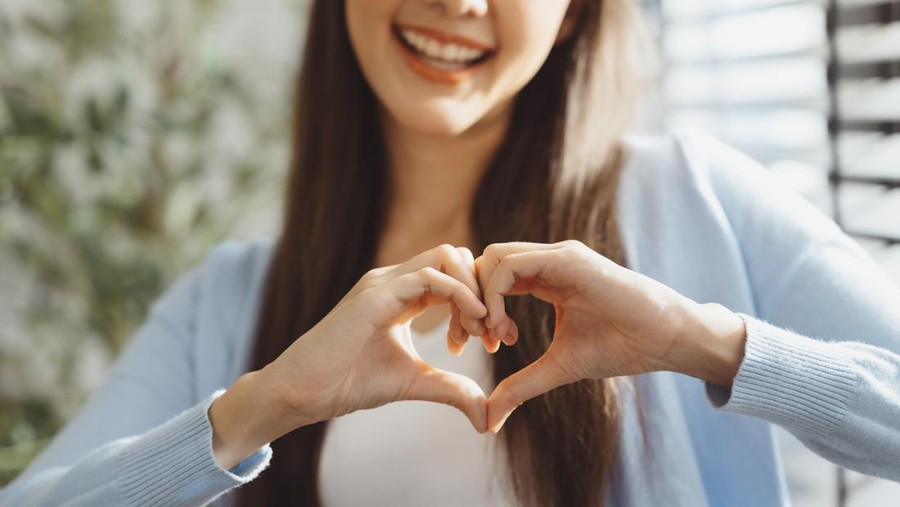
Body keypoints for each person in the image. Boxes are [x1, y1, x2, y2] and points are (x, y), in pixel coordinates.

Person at [2, 0, 899, 505]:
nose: (460, 4)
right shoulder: (230, 299)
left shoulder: (696, 201)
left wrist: (697, 339)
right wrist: (262, 406)